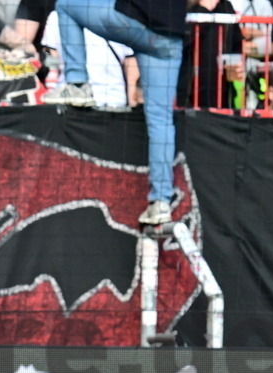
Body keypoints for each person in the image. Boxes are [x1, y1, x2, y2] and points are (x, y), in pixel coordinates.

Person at [43, 0, 187, 225]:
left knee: (65, 5)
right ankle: (161, 201)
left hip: (135, 19)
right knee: (161, 120)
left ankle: (78, 83)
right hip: (170, 34)